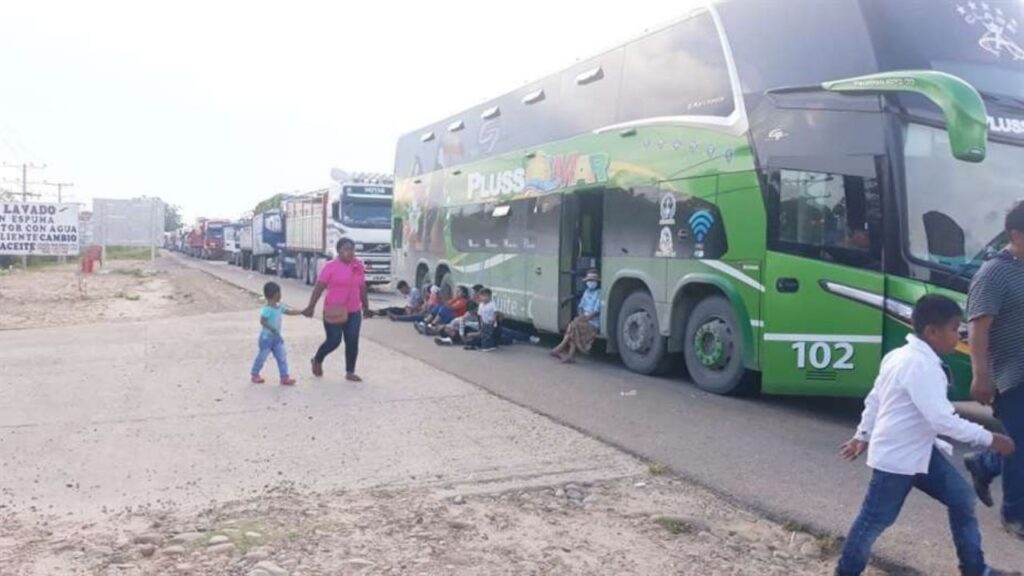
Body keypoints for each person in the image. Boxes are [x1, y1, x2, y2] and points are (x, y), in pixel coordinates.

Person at [835, 294, 1016, 576]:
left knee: (962, 498)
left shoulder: (901, 356)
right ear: (932, 331)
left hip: (920, 453)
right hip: (897, 459)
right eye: (955, 329)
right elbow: (942, 419)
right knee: (873, 521)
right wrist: (990, 438)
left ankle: (975, 569)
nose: (959, 336)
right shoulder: (919, 365)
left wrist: (863, 434)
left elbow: (875, 398)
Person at [964, 201, 1024, 540]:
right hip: (1012, 376)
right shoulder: (994, 273)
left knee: (1021, 444)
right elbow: (978, 328)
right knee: (1020, 445)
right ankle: (1015, 515)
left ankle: (984, 463)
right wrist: (981, 374)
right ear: (1016, 235)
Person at [304, 238, 369, 382]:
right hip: (334, 310)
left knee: (352, 341)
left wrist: (366, 306)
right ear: (339, 250)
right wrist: (311, 306)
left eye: (352, 249)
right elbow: (319, 287)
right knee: (334, 341)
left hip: (353, 310)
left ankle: (350, 371)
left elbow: (362, 287)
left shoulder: (357, 266)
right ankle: (317, 359)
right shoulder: (330, 267)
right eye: (346, 249)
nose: (350, 252)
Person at [251, 281, 302, 386]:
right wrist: (272, 328)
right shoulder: (267, 310)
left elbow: (289, 312)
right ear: (275, 295)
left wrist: (301, 312)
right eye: (279, 293)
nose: (281, 295)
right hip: (266, 338)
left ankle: (284, 377)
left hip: (276, 337)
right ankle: (255, 374)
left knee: (282, 356)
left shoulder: (279, 307)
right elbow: (263, 321)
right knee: (262, 356)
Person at [550, 269, 601, 363]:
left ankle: (560, 349)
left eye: (593, 280)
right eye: (589, 280)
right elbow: (580, 307)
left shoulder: (599, 293)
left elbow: (596, 311)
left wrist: (585, 319)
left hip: (593, 322)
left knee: (573, 325)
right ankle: (569, 355)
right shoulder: (586, 292)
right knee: (573, 325)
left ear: (597, 282)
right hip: (583, 320)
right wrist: (582, 316)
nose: (591, 282)